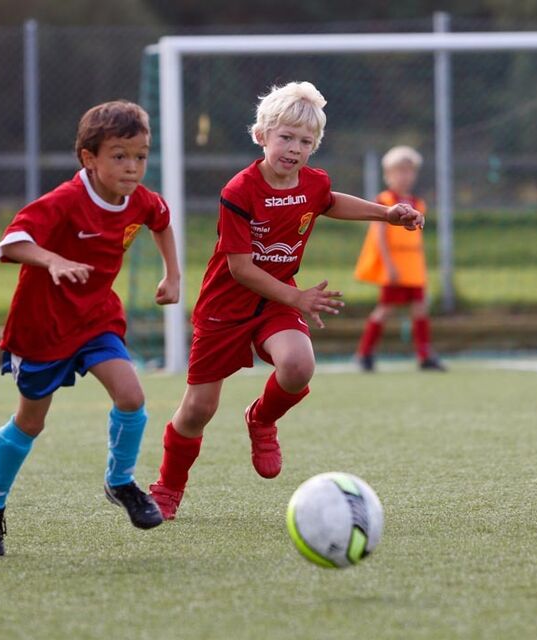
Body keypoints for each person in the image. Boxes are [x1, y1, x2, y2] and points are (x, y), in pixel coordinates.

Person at [147, 82, 424, 521]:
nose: (295, 148)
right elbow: (240, 268)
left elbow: (329, 202)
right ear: (262, 136)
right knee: (198, 409)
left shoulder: (314, 183)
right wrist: (297, 296)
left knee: (298, 365)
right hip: (226, 306)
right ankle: (167, 487)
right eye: (286, 137)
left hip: (273, 301)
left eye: (306, 142)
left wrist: (386, 214)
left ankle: (261, 419)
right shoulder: (239, 190)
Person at [0, 100, 180, 556]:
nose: (132, 167)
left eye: (141, 156)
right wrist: (53, 260)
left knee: (131, 395)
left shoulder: (139, 199)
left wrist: (173, 275)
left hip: (97, 318)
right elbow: (11, 243)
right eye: (119, 156)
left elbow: (160, 219)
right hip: (42, 328)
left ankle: (120, 482)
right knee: (30, 422)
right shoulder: (65, 200)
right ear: (89, 158)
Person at [354, 145, 445, 371]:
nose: (405, 176)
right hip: (394, 266)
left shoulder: (418, 203)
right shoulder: (385, 201)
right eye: (400, 171)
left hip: (413, 267)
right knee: (385, 309)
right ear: (388, 174)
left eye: (409, 171)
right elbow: (379, 236)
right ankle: (365, 354)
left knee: (420, 308)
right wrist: (389, 265)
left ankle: (424, 355)